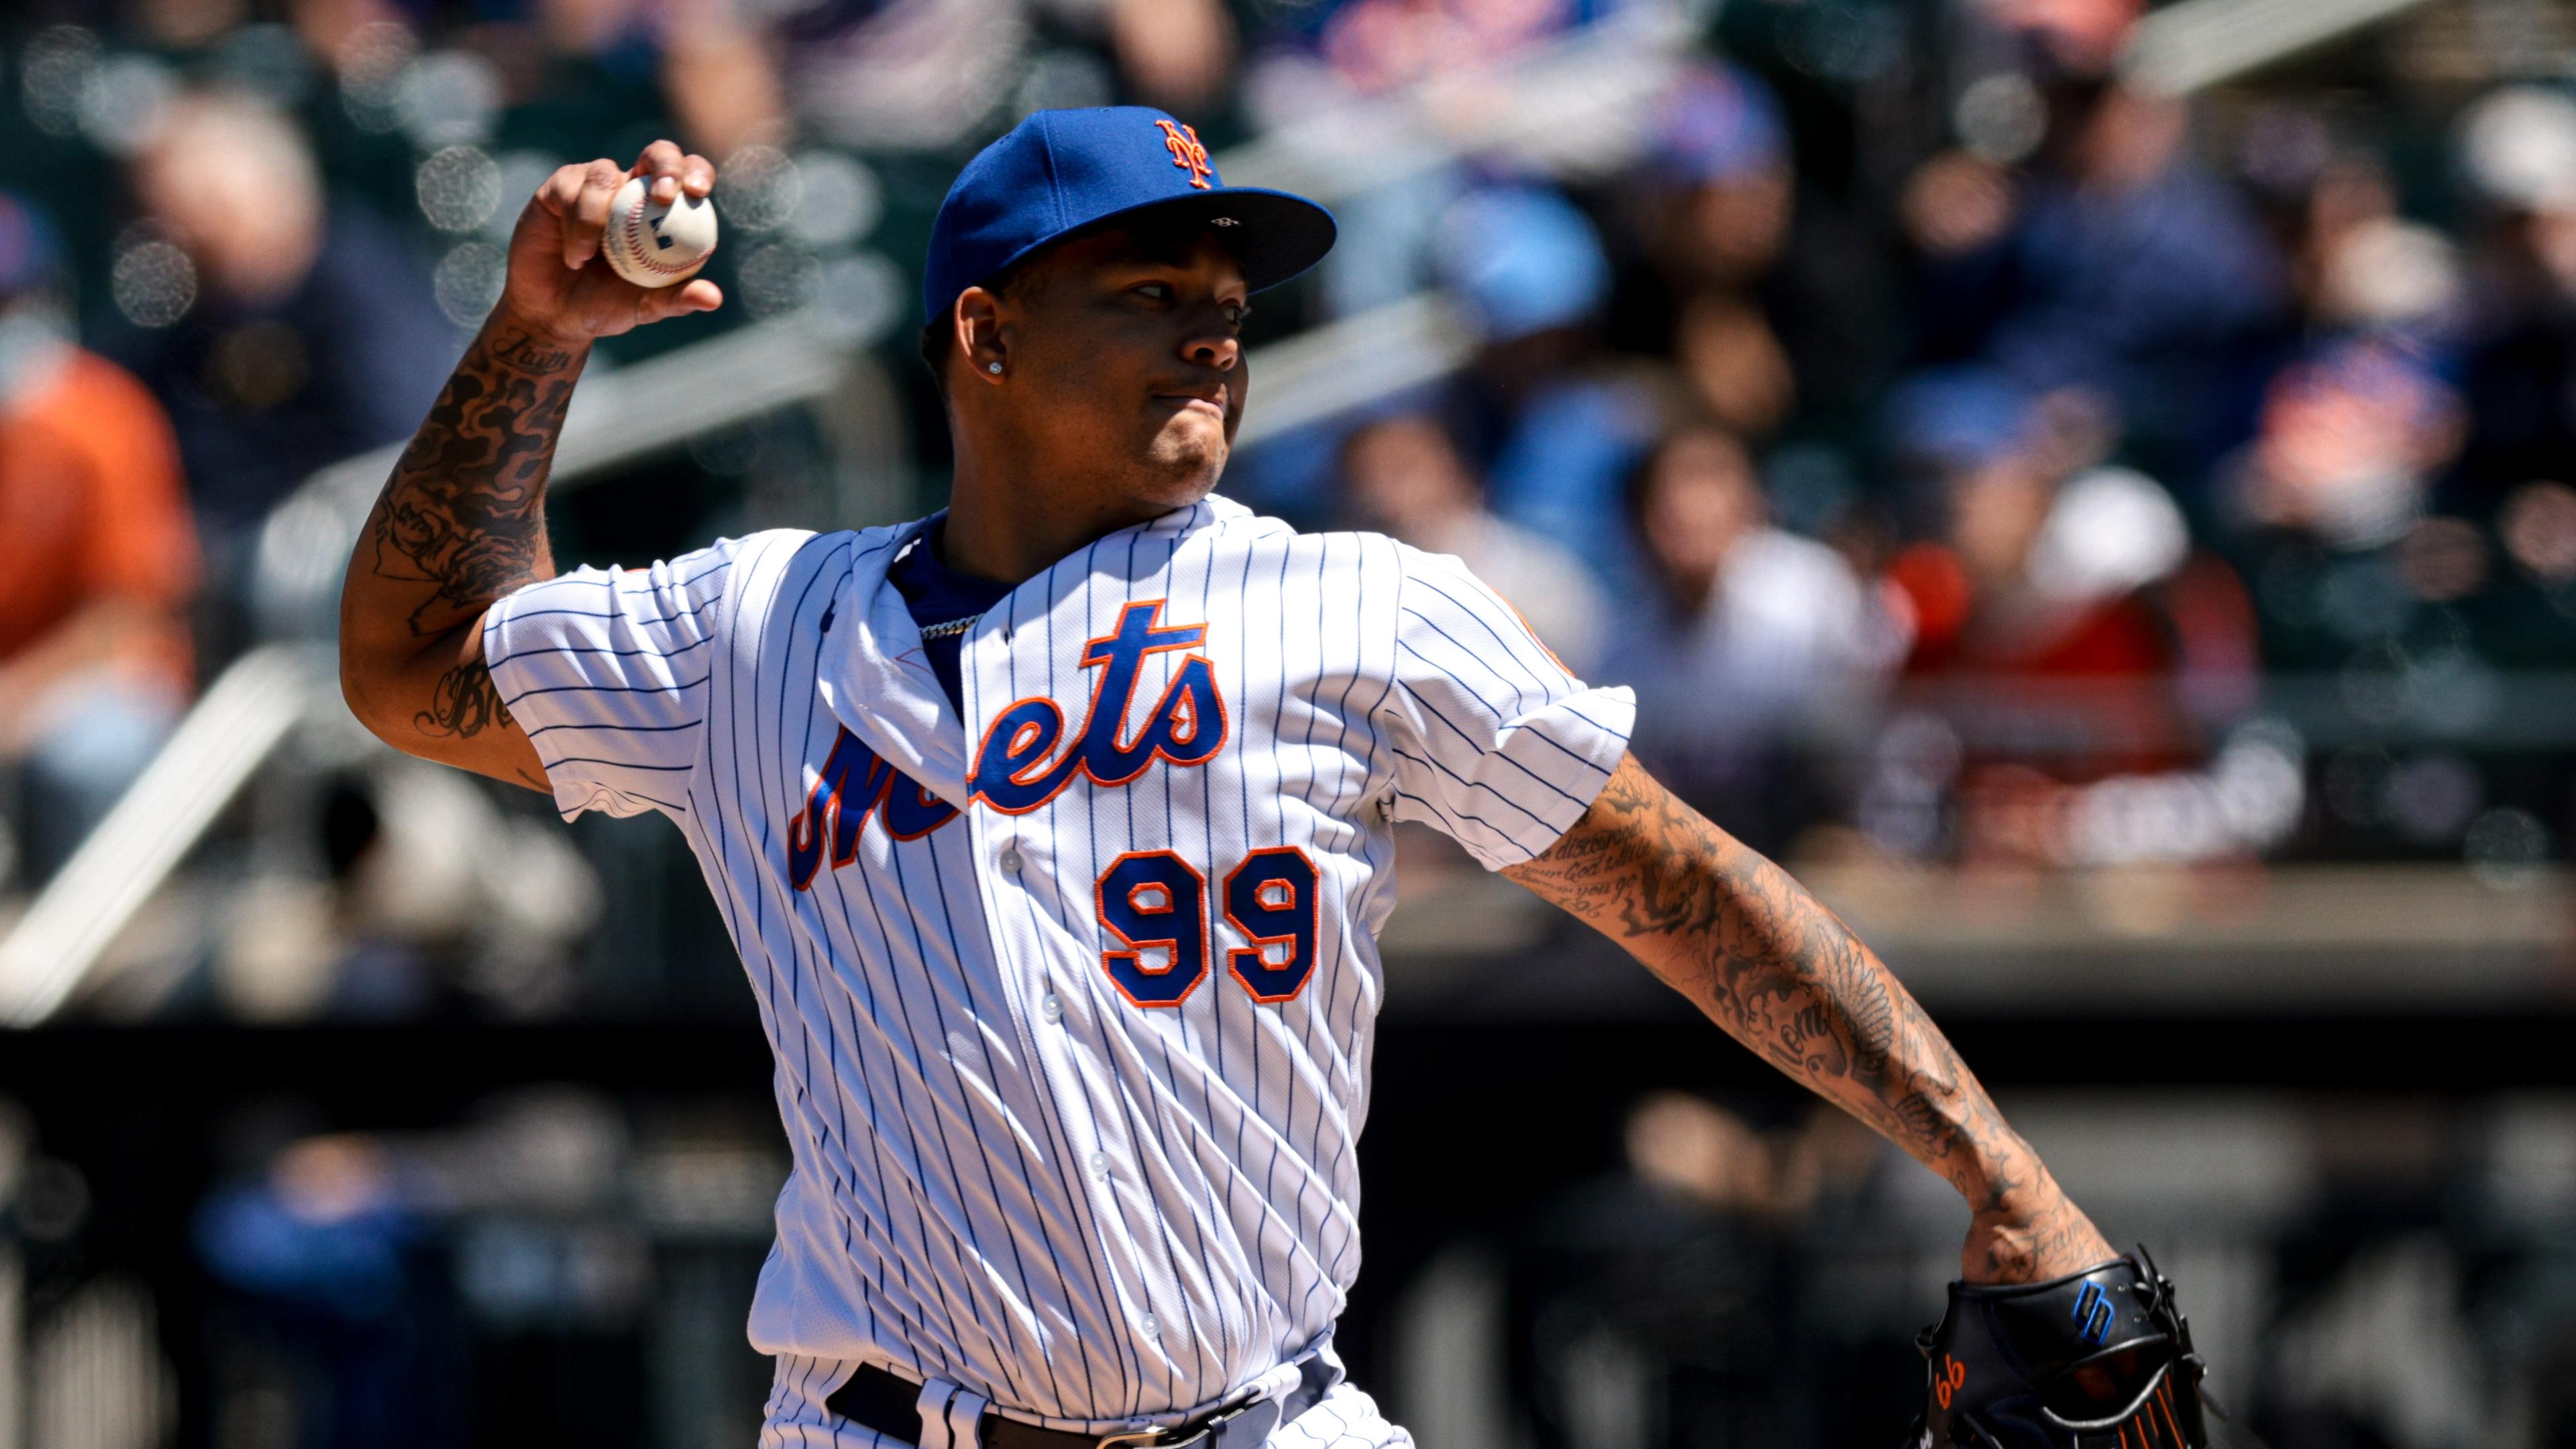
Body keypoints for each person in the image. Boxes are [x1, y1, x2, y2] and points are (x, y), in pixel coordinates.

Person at [339, 111, 2123, 1448]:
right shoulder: (753, 632)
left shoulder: (1356, 605)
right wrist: (538, 336)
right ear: (986, 335)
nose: (1217, 330)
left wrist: (2002, 1175)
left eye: (1227, 296)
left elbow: (1681, 883)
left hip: (1267, 1422)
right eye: (1150, 290)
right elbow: (415, 672)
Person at [0, 194, 201, 883]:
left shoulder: (102, 420)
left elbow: (132, 613)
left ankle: (105, 950)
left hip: (102, 680)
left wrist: (17, 696)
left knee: (88, 751)